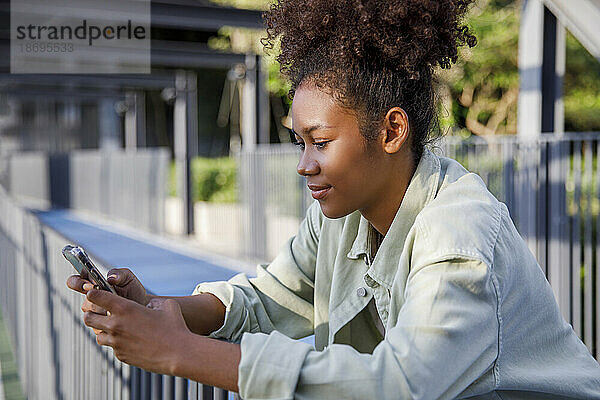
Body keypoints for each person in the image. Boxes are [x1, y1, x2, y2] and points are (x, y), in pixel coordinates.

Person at [67, 0, 600, 398]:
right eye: (300, 142)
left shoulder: (458, 230)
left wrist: (181, 352)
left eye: (320, 143)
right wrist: (164, 310)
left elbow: (402, 384)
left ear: (392, 131)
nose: (303, 164)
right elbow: (269, 297)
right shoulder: (341, 215)